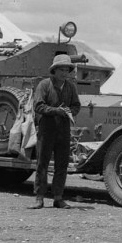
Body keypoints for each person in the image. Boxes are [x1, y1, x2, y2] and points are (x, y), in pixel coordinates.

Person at [28, 54, 81, 209]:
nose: (64, 73)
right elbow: (38, 106)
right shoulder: (44, 85)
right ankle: (39, 198)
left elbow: (76, 106)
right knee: (42, 164)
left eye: (67, 70)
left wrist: (70, 112)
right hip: (46, 130)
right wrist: (56, 111)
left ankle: (58, 198)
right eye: (61, 70)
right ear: (54, 70)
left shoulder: (71, 87)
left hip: (64, 131)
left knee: (62, 165)